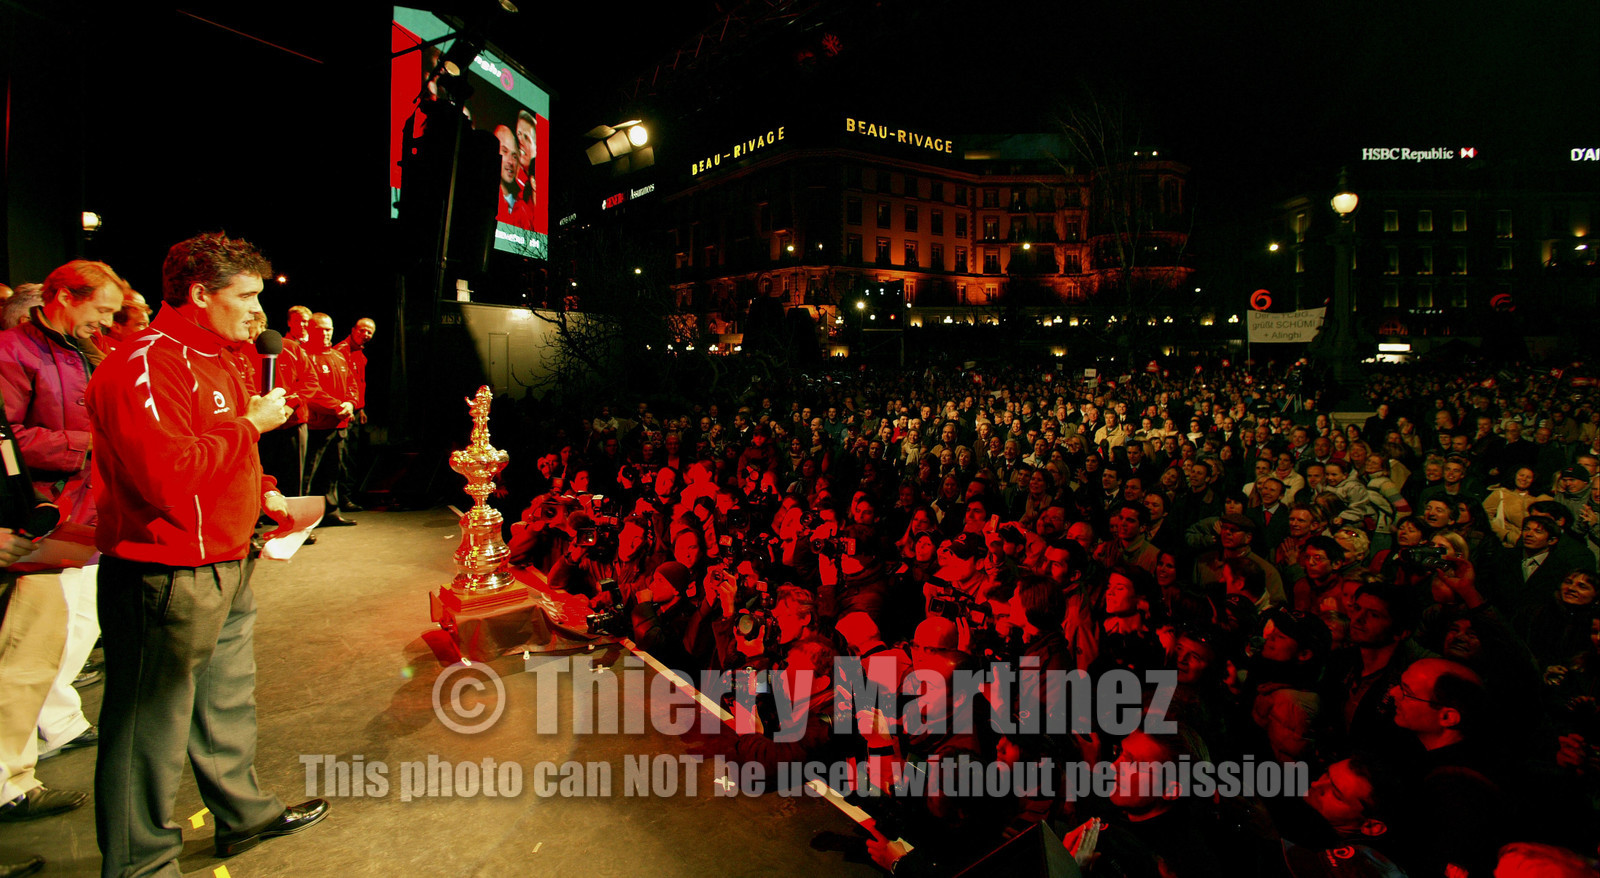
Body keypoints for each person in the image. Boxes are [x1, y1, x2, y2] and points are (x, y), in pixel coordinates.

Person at [86, 233, 328, 876]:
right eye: (245, 296)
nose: (260, 312)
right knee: (148, 726)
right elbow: (168, 478)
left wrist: (264, 496)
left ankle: (243, 815)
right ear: (199, 294)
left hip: (226, 560)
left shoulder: (219, 356)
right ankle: (140, 863)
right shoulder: (144, 363)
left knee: (225, 703)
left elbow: (223, 455)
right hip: (167, 572)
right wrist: (249, 426)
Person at [0, 261, 125, 763]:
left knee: (71, 629)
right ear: (66, 298)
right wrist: (89, 442)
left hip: (86, 510)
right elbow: (6, 438)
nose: (109, 322)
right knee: (34, 646)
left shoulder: (84, 350)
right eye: (103, 309)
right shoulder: (13, 351)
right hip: (40, 518)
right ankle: (14, 772)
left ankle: (43, 736)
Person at [302, 312, 359, 526]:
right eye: (321, 329)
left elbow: (351, 385)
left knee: (332, 472)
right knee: (309, 475)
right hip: (317, 426)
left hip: (339, 424)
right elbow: (310, 391)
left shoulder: (338, 356)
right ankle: (304, 519)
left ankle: (330, 513)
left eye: (329, 329)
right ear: (310, 330)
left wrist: (350, 404)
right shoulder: (305, 356)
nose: (326, 333)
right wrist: (337, 407)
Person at [332, 317, 375, 512]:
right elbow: (340, 384)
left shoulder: (360, 354)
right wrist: (347, 407)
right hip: (345, 411)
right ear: (353, 329)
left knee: (351, 456)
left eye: (369, 333)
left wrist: (361, 408)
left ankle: (346, 496)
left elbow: (358, 383)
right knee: (343, 456)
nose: (365, 335)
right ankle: (342, 498)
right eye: (362, 330)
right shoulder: (341, 351)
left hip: (355, 410)